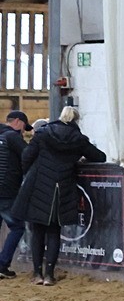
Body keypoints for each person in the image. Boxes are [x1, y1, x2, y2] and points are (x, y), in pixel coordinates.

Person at [11, 105, 106, 285]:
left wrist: (30, 173)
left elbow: (26, 156)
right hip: (63, 187)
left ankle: (37, 273)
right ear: (76, 120)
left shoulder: (43, 134)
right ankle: (49, 275)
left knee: (37, 230)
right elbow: (100, 156)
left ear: (60, 116)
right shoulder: (79, 139)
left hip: (39, 185)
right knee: (54, 231)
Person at [0, 110, 31, 278]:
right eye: (24, 128)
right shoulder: (12, 137)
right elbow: (28, 155)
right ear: (18, 122)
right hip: (6, 190)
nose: (23, 132)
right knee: (17, 227)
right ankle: (3, 264)